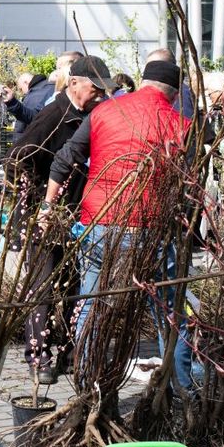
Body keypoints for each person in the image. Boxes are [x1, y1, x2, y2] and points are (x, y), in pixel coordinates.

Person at [45, 59, 193, 390]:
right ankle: (181, 392)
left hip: (99, 221)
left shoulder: (104, 111)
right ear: (173, 95)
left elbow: (65, 157)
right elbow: (188, 185)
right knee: (170, 313)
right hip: (150, 227)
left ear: (143, 83)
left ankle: (87, 386)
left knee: (92, 305)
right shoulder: (180, 124)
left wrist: (47, 206)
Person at [6, 56, 111, 384]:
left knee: (72, 285)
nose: (100, 95)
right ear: (74, 83)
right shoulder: (54, 114)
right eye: (95, 89)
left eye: (103, 90)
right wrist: (39, 201)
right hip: (45, 215)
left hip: (76, 214)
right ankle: (38, 357)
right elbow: (16, 159)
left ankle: (67, 352)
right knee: (42, 286)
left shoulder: (91, 115)